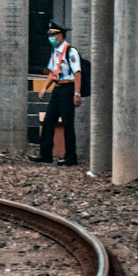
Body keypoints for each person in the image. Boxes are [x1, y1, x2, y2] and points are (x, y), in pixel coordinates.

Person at [30, 21, 81, 167]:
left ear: (60, 35)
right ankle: (45, 155)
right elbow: (53, 72)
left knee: (67, 123)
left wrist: (77, 94)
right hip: (58, 89)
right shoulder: (55, 52)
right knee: (48, 122)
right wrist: (45, 88)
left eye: (53, 34)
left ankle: (71, 157)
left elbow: (77, 73)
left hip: (68, 88)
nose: (50, 37)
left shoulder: (71, 51)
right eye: (49, 34)